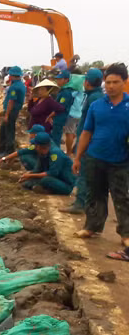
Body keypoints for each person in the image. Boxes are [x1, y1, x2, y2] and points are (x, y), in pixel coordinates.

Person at [71, 63, 129, 250]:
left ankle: (126, 234)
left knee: (121, 197)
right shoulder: (96, 106)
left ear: (124, 82)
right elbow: (86, 132)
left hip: (120, 160)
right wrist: (78, 157)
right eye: (108, 82)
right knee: (95, 194)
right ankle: (92, 227)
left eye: (115, 82)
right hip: (95, 157)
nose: (111, 86)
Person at [60, 68, 105, 214]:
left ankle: (80, 203)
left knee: (83, 172)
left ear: (87, 82)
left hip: (88, 141)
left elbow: (91, 124)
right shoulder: (94, 96)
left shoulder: (94, 98)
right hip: (87, 139)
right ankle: (83, 202)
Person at [0, 66, 27, 156]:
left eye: (10, 75)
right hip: (14, 111)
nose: (9, 76)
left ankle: (9, 150)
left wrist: (7, 114)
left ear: (13, 75)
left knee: (9, 130)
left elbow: (11, 101)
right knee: (3, 130)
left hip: (11, 111)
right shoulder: (21, 85)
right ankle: (1, 149)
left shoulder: (14, 87)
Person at [49, 70, 74, 147]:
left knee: (56, 138)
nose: (58, 81)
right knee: (55, 136)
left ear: (66, 80)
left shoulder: (66, 92)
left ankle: (55, 152)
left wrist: (50, 116)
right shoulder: (63, 90)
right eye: (57, 79)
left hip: (60, 117)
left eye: (60, 79)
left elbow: (61, 107)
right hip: (58, 117)